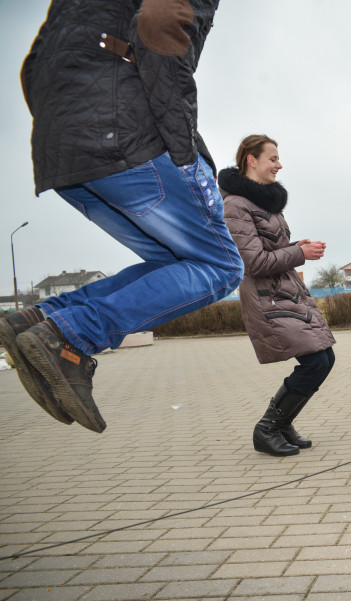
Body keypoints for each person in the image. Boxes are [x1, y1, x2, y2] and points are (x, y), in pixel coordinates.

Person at [0, 0, 243, 434]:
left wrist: (72, 129)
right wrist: (183, 151)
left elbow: (33, 65)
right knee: (220, 267)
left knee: (176, 264)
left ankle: (38, 320)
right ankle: (71, 334)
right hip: (130, 146)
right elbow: (161, 22)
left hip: (65, 154)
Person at [221, 135, 336, 457]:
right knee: (315, 362)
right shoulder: (235, 206)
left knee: (323, 359)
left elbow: (271, 250)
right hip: (266, 298)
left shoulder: (264, 204)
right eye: (272, 158)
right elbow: (254, 262)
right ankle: (267, 429)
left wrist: (297, 247)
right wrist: (299, 252)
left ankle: (282, 424)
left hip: (284, 293)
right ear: (251, 160)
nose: (279, 164)